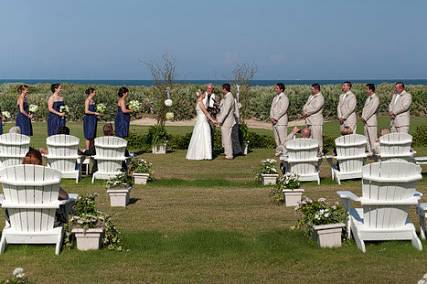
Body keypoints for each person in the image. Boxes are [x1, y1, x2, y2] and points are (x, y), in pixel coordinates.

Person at [186, 90, 217, 160]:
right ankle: (205, 155)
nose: (204, 95)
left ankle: (202, 154)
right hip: (203, 121)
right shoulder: (200, 103)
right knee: (205, 137)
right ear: (201, 95)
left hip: (199, 121)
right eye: (203, 94)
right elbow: (206, 113)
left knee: (199, 137)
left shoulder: (198, 102)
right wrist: (213, 120)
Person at [302, 83, 324, 156]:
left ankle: (320, 151)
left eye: (312, 89)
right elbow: (306, 105)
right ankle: (312, 151)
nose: (311, 90)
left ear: (317, 89)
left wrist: (307, 112)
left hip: (316, 120)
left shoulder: (320, 98)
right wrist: (304, 110)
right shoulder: (310, 96)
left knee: (317, 137)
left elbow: (316, 108)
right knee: (310, 137)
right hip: (309, 120)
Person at [216, 83, 236, 160]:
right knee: (225, 138)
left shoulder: (229, 97)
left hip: (227, 121)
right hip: (226, 121)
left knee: (227, 138)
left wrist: (220, 120)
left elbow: (226, 111)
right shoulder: (227, 97)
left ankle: (229, 154)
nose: (222, 90)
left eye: (222, 89)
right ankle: (227, 152)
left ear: (224, 89)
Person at [270, 82, 289, 156]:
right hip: (274, 121)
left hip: (281, 120)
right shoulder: (275, 98)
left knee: (282, 137)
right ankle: (279, 151)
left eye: (277, 88)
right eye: (275, 88)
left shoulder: (285, 98)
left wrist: (275, 118)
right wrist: (271, 117)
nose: (275, 89)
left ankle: (284, 151)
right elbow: (271, 108)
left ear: (281, 89)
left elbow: (283, 110)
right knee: (276, 137)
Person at [361, 84, 380, 154]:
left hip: (371, 122)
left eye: (367, 89)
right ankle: (370, 153)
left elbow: (372, 110)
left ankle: (375, 153)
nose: (366, 91)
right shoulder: (368, 99)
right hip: (366, 122)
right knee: (367, 139)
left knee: (373, 139)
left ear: (371, 90)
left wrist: (365, 117)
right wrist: (362, 116)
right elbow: (364, 108)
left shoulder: (376, 99)